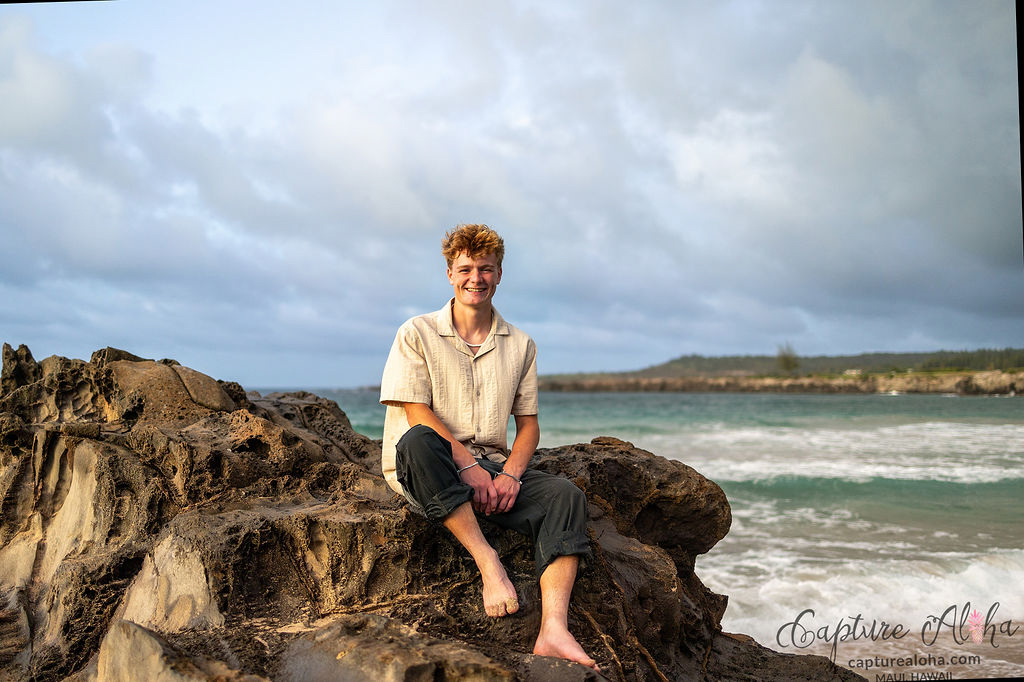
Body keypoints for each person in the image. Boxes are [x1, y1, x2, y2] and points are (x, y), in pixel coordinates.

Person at [379, 224, 598, 671]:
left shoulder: (520, 344)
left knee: (565, 497)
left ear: (500, 274)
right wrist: (469, 469)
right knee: (419, 440)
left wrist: (509, 475)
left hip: (493, 467)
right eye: (465, 269)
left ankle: (554, 629)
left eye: (485, 269)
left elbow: (529, 427)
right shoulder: (416, 332)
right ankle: (488, 562)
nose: (474, 278)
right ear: (448, 273)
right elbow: (417, 412)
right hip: (432, 464)